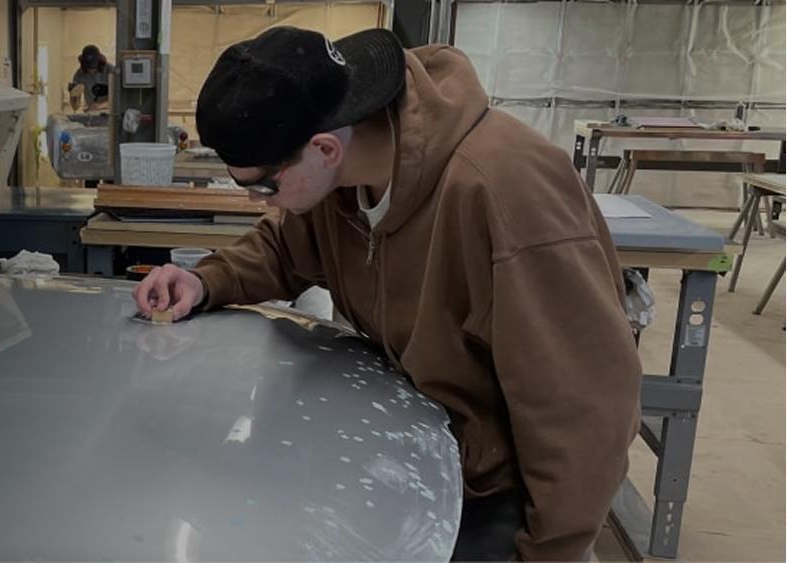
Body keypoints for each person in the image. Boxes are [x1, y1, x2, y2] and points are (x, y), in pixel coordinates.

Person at [132, 27, 641, 561]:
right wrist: (204, 279)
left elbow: (584, 409)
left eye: (264, 187)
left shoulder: (505, 191)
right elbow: (286, 248)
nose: (263, 203)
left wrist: (548, 551)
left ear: (324, 148)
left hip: (504, 500)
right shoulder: (346, 178)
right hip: (427, 458)